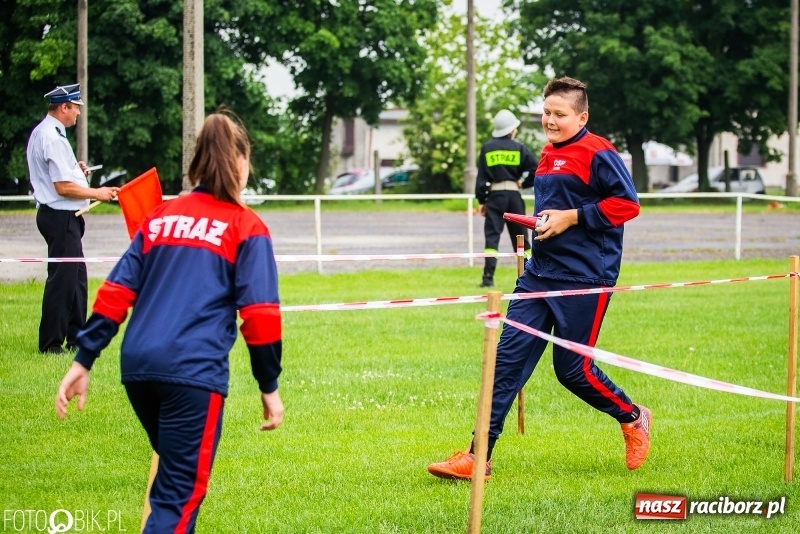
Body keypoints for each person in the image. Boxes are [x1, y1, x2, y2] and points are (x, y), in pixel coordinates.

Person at [55, 112, 284, 532]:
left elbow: (116, 291)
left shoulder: (160, 218)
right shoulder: (246, 226)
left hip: (138, 369)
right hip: (192, 375)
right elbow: (260, 316)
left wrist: (84, 358)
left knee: (173, 487)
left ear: (198, 162)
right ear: (241, 162)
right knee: (177, 498)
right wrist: (268, 386)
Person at [429, 77, 649, 480]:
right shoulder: (547, 154)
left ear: (582, 117)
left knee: (573, 371)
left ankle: (633, 417)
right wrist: (542, 222)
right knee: (505, 363)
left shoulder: (599, 152)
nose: (549, 120)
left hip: (585, 278)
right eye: (546, 112)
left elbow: (627, 204)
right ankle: (478, 457)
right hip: (538, 274)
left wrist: (572, 218)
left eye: (559, 114)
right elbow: (556, 207)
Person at [27, 83, 120, 354]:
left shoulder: (45, 132)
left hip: (61, 216)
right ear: (64, 107)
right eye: (76, 108)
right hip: (60, 216)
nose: (78, 113)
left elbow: (59, 175)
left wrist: (78, 171)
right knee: (63, 281)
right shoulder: (54, 138)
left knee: (77, 280)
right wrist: (97, 193)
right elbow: (62, 187)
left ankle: (76, 337)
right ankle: (51, 343)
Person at [474, 109, 538, 288]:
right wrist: (524, 184)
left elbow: (481, 179)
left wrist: (482, 201)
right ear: (511, 130)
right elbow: (536, 168)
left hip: (494, 198)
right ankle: (529, 276)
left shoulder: (487, 148)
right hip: (514, 197)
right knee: (521, 238)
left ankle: (488, 278)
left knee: (491, 238)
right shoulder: (519, 148)